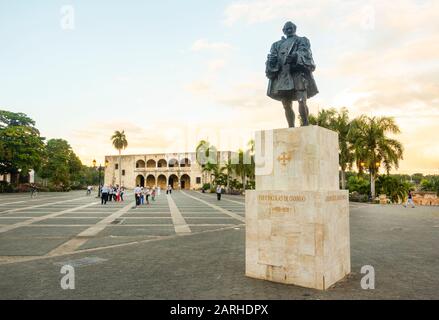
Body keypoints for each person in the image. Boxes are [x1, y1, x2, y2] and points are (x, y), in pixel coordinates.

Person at [265, 21, 318, 128]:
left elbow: (306, 53)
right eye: (287, 29)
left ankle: (305, 123)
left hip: (298, 74)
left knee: (301, 100)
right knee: (286, 104)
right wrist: (271, 61)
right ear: (283, 31)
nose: (289, 30)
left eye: (291, 28)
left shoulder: (302, 40)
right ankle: (291, 127)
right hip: (283, 77)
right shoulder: (276, 45)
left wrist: (296, 56)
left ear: (295, 28)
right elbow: (272, 59)